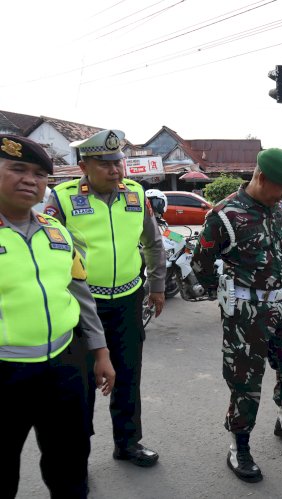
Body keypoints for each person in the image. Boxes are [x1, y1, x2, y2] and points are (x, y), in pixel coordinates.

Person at [191, 148, 282, 483]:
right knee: (245, 382)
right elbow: (201, 264)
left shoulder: (277, 208)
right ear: (260, 177)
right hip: (246, 312)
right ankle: (239, 446)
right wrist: (225, 296)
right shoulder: (224, 215)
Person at [0, 135, 115, 497]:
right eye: (17, 169)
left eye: (39, 174)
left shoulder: (58, 232)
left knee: (69, 464)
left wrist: (100, 351)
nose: (29, 180)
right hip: (5, 371)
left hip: (65, 366)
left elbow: (81, 296)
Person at [45, 129, 166, 468]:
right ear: (85, 165)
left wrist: (157, 286)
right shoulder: (63, 197)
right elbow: (51, 252)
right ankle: (76, 455)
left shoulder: (135, 193)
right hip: (83, 306)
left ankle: (128, 443)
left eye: (118, 162)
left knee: (128, 375)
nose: (116, 170)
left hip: (128, 298)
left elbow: (153, 242)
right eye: (105, 163)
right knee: (80, 383)